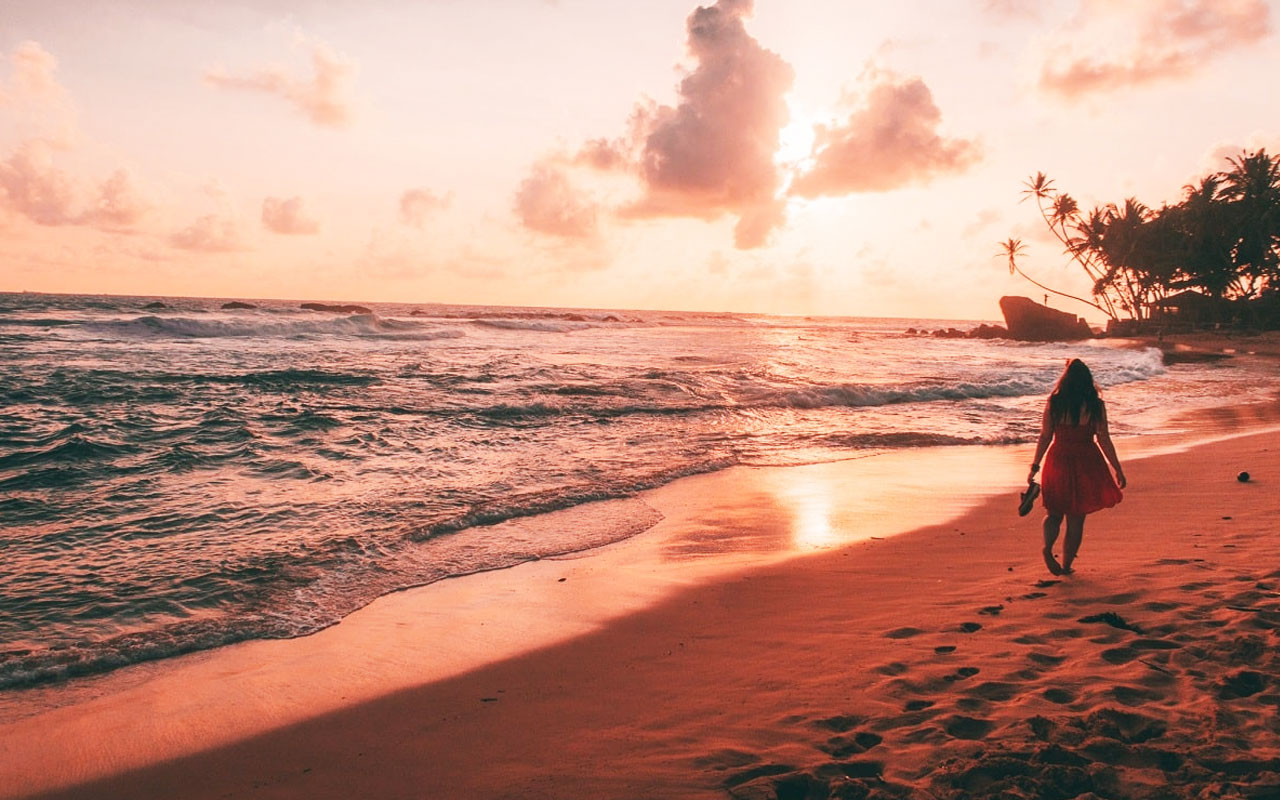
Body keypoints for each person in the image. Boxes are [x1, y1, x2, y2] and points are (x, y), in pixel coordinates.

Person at [1028, 359, 1126, 575]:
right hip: (1085, 460)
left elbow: (1045, 436)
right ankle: (1066, 566)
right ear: (1087, 379)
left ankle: (1047, 548)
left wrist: (1035, 465)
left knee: (1053, 513)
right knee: (1076, 519)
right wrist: (1117, 468)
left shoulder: (1054, 402)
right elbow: (1104, 438)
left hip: (1058, 459)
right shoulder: (1095, 404)